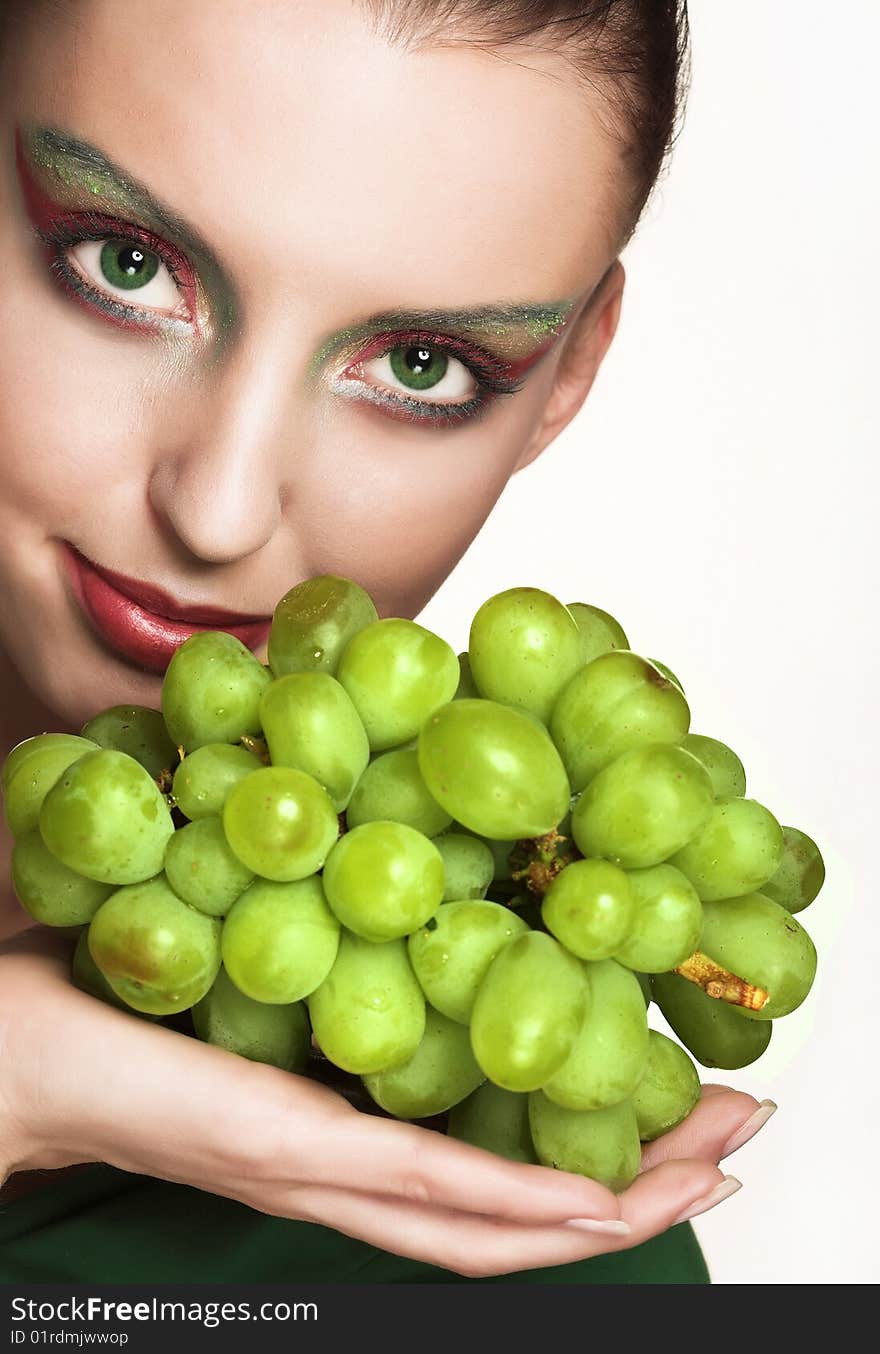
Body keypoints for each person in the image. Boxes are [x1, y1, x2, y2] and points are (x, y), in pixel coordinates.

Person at [0, 0, 773, 1284]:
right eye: (122, 264)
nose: (218, 509)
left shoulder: (519, 1251)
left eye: (422, 363)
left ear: (565, 377)